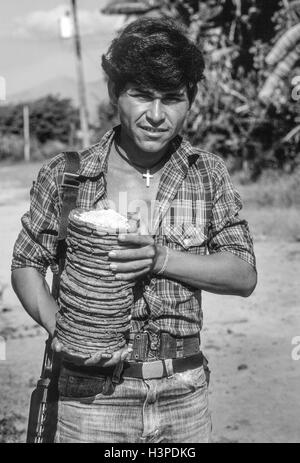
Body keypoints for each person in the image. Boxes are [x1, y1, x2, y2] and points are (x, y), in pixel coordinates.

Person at [11, 17, 257, 443]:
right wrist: (62, 330)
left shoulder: (208, 174)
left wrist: (161, 258)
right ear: (115, 94)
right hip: (89, 397)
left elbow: (243, 274)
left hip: (183, 390)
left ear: (190, 100)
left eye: (172, 99)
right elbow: (25, 263)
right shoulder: (68, 176)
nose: (157, 116)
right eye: (142, 96)